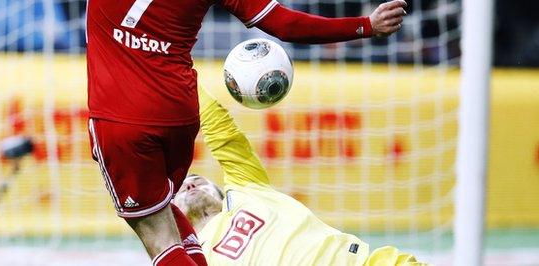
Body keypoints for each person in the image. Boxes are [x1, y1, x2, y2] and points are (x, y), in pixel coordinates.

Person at [0, 0, 407, 264]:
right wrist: (364, 25)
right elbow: (282, 22)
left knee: (157, 238)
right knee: (174, 223)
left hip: (122, 116)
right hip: (178, 114)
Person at [171, 86, 427, 266]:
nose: (190, 183)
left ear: (219, 190)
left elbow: (222, 132)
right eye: (180, 190)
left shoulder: (245, 189)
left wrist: (180, 75)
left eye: (198, 180)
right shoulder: (187, 258)